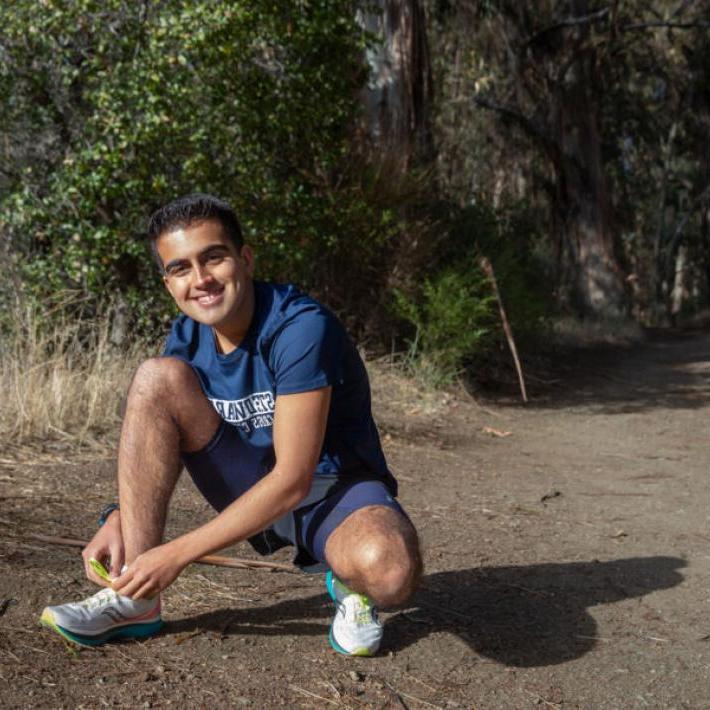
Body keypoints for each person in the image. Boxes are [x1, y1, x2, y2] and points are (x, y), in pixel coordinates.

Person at [40, 193, 422, 656]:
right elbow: (155, 437)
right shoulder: (187, 334)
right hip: (249, 481)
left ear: (244, 258)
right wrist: (117, 515)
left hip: (332, 488)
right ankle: (133, 598)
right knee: (155, 378)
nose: (200, 280)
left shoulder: (300, 327)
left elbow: (293, 480)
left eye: (213, 257)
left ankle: (349, 585)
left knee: (390, 571)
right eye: (180, 268)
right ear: (168, 283)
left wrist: (177, 553)